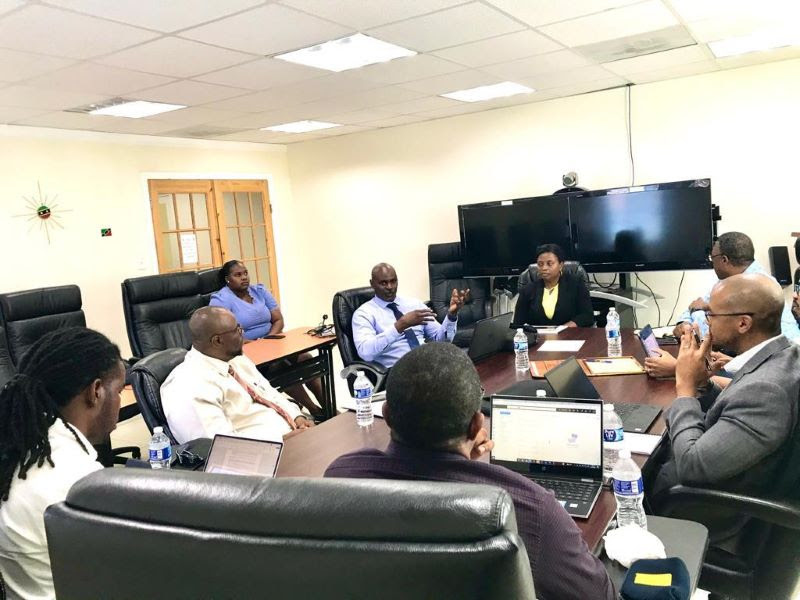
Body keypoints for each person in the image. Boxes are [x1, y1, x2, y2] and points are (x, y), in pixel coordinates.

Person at [325, 343, 614, 600]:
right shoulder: (530, 510)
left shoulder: (340, 479)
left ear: (387, 415)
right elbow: (599, 595)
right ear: (477, 425)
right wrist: (467, 469)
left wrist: (465, 466)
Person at [650, 273, 800, 541]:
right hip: (729, 472)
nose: (706, 321)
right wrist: (704, 384)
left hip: (712, 511)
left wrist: (685, 388)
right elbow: (737, 406)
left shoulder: (767, 390)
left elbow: (692, 466)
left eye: (711, 314)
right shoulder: (782, 353)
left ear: (743, 323)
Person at [0, 327, 125, 600]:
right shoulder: (80, 481)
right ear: (96, 392)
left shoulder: (18, 451)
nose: (120, 401)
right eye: (118, 391)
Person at [646, 232, 800, 377]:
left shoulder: (756, 287)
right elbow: (694, 307)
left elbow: (712, 332)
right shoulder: (728, 282)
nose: (711, 262)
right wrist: (685, 322)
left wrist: (679, 369)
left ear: (724, 259)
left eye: (712, 258)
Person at [161, 306, 314, 444]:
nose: (243, 333)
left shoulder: (235, 359)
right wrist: (281, 441)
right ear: (217, 340)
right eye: (237, 330)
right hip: (262, 456)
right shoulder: (188, 386)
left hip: (293, 436)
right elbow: (219, 447)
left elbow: (268, 392)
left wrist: (297, 417)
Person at [209, 259, 323, 417]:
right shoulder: (221, 299)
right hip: (246, 352)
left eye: (245, 273)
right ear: (228, 279)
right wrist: (255, 344)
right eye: (238, 275)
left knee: (305, 358)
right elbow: (224, 333)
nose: (244, 277)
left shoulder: (259, 291)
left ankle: (328, 407)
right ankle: (313, 409)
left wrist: (267, 340)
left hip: (272, 344)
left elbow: (278, 320)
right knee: (280, 367)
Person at [352, 262, 468, 368]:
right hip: (396, 371)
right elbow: (365, 353)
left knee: (463, 363)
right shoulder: (364, 314)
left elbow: (442, 340)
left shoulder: (414, 304)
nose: (390, 287)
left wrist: (451, 315)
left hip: (427, 364)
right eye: (383, 283)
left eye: (393, 281)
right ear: (372, 284)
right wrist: (400, 326)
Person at [513, 243, 593, 328]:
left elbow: (587, 316)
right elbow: (518, 323)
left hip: (569, 334)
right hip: (537, 335)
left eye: (549, 263)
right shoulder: (528, 289)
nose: (544, 268)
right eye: (540, 264)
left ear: (560, 265)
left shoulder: (575, 284)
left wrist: (564, 328)